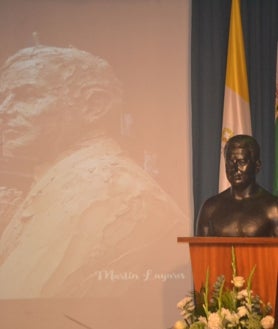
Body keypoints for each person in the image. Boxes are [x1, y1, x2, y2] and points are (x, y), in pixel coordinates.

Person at [0, 45, 187, 299]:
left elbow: (21, 303)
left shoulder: (108, 191)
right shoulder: (66, 181)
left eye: (26, 96)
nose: (4, 111)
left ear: (93, 105)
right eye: (3, 98)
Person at [196, 134, 278, 237]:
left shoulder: (274, 208)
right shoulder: (210, 209)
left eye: (242, 162)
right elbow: (201, 251)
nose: (235, 168)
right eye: (230, 162)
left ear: (257, 166)